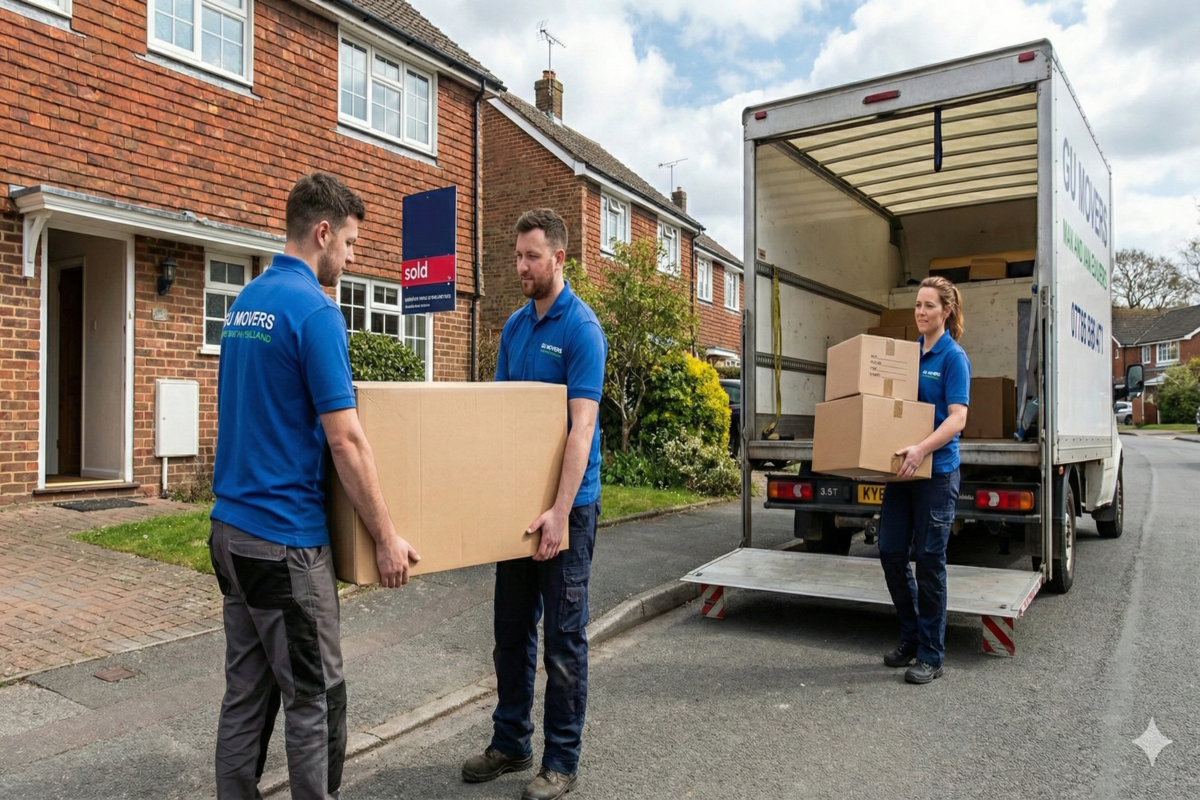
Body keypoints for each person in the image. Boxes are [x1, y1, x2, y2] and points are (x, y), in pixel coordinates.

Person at [209, 173, 420, 799]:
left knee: (247, 694)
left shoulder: (245, 302)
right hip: (285, 546)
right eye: (350, 243)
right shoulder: (315, 312)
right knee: (315, 699)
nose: (352, 257)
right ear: (322, 232)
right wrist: (384, 536)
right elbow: (346, 439)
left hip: (231, 533)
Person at [461, 209, 606, 800]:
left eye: (531, 257)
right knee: (511, 630)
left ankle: (561, 761)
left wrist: (557, 512)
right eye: (517, 255)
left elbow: (582, 429)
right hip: (519, 508)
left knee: (564, 641)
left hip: (568, 510)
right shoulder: (515, 328)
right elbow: (502, 420)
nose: (520, 266)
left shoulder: (581, 330)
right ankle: (512, 741)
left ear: (560, 258)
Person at [878, 275, 970, 685]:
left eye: (929, 305)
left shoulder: (953, 357)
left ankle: (932, 654)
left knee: (930, 562)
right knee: (891, 552)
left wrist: (922, 449)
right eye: (917, 305)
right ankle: (911, 638)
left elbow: (958, 417)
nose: (920, 311)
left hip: (936, 471)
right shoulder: (908, 355)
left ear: (946, 311)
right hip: (902, 468)